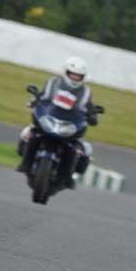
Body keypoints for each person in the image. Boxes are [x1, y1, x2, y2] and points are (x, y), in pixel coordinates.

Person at [16, 56, 100, 189]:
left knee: (74, 148)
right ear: (66, 72)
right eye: (72, 75)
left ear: (83, 77)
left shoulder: (85, 92)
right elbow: (44, 96)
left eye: (78, 76)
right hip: (51, 116)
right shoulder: (53, 82)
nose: (75, 78)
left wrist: (92, 115)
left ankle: (67, 177)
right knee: (32, 134)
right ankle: (25, 164)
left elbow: (89, 106)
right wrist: (35, 100)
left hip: (70, 121)